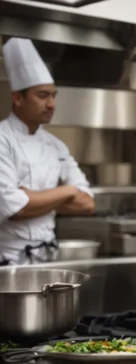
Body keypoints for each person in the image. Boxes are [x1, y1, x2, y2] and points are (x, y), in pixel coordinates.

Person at [0, 38, 94, 265]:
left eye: (53, 95)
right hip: (6, 260)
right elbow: (13, 208)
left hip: (47, 259)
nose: (51, 104)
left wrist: (32, 198)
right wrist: (68, 191)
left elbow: (88, 203)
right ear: (17, 98)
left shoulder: (55, 145)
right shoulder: (2, 139)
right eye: (42, 95)